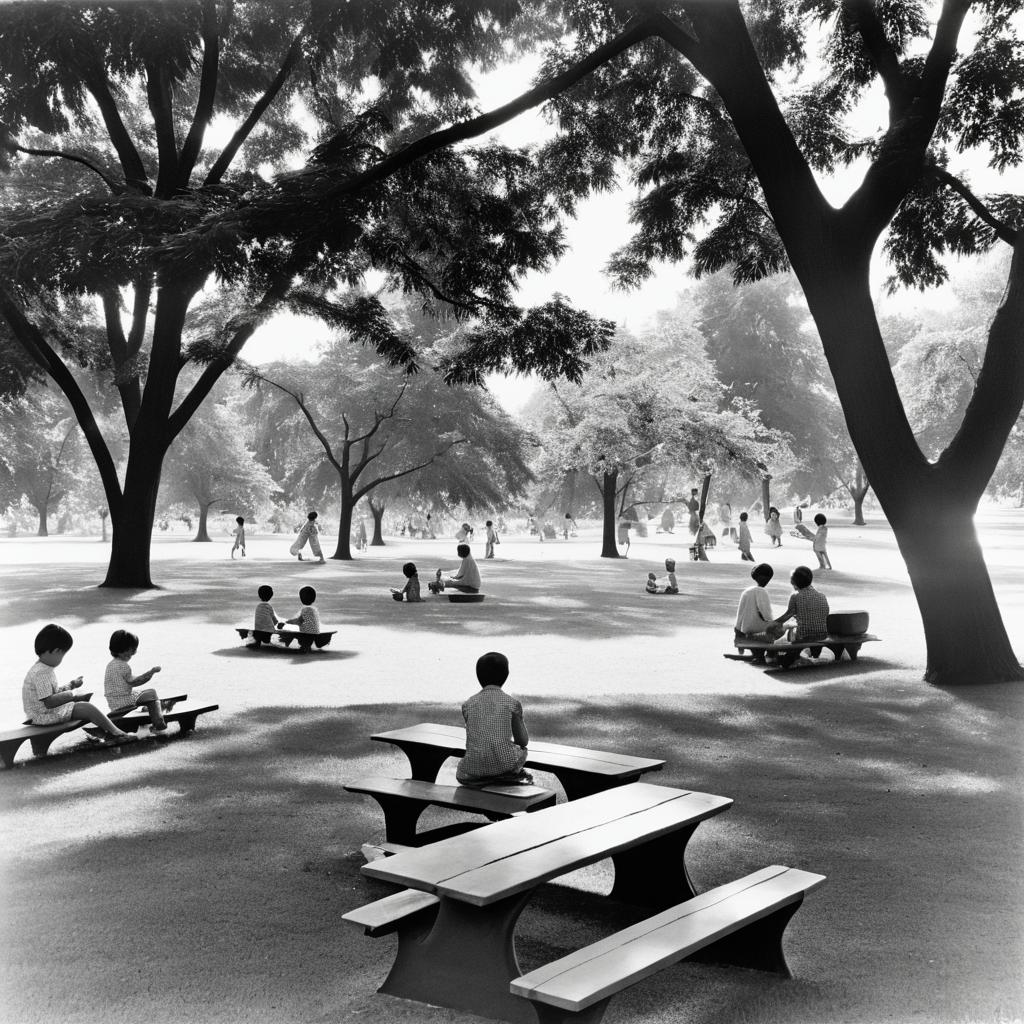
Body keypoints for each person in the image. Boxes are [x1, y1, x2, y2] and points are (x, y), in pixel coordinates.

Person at [22, 623, 136, 746]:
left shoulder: (41, 669)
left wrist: (72, 685)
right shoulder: (42, 672)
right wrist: (73, 695)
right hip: (43, 716)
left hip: (40, 715)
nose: (61, 659)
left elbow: (51, 694)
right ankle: (116, 733)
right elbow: (49, 702)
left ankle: (105, 733)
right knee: (86, 708)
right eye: (62, 655)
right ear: (55, 651)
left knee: (82, 706)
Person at [455, 652, 532, 787]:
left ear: (478, 676)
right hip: (505, 765)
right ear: (506, 674)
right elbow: (522, 740)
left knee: (481, 754)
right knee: (522, 751)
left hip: (472, 770)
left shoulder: (468, 704)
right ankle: (505, 776)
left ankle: (488, 777)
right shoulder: (512, 703)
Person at [104, 629, 168, 739]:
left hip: (113, 700)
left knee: (142, 694)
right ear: (124, 649)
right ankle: (159, 723)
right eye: (132, 649)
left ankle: (147, 709)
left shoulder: (111, 664)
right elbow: (135, 681)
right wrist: (150, 673)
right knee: (151, 693)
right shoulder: (123, 665)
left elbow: (129, 680)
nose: (134, 652)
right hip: (123, 700)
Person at [771, 566, 830, 663]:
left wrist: (774, 623)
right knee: (807, 627)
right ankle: (815, 655)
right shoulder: (822, 596)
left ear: (794, 583)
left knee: (788, 628)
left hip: (803, 635)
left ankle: (790, 655)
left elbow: (788, 615)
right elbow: (825, 614)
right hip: (822, 634)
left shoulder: (795, 596)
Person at [734, 564, 787, 660]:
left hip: (746, 630)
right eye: (767, 578)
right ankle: (771, 654)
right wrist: (777, 624)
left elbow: (739, 614)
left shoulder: (746, 591)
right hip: (759, 632)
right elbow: (767, 615)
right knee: (785, 628)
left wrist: (738, 632)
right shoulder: (762, 591)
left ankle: (758, 654)